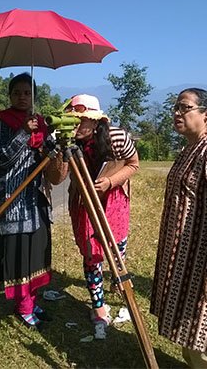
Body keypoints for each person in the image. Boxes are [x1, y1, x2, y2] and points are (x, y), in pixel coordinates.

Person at [150, 88, 207, 368]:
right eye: (175, 107)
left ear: (206, 114)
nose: (176, 113)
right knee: (190, 328)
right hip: (187, 260)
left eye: (184, 107)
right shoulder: (190, 148)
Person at [0, 73, 65, 331]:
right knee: (19, 256)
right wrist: (22, 133)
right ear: (9, 95)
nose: (22, 97)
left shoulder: (40, 122)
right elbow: (1, 158)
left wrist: (53, 146)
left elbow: (48, 156)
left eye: (27, 93)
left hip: (35, 200)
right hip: (12, 200)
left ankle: (31, 301)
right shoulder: (0, 121)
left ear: (33, 96)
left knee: (35, 253)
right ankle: (23, 307)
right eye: (17, 93)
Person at [57, 94, 140, 339]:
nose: (76, 125)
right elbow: (57, 177)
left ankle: (118, 280)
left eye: (81, 120)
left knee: (116, 248)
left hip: (113, 199)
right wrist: (59, 150)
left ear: (95, 121)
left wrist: (111, 181)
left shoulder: (116, 137)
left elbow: (133, 163)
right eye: (72, 120)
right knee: (91, 253)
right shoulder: (67, 142)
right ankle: (98, 305)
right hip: (83, 199)